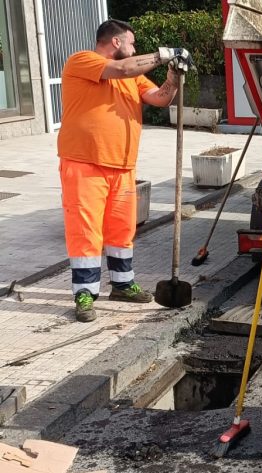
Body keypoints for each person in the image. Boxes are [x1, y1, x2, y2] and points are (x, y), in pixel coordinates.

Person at [57, 19, 193, 322]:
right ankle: (85, 292)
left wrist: (173, 78)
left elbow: (160, 98)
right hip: (84, 163)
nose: (134, 49)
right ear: (116, 42)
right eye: (131, 43)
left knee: (121, 230)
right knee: (85, 231)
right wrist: (163, 55)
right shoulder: (83, 61)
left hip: (122, 166)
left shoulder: (134, 77)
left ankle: (122, 284)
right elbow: (120, 69)